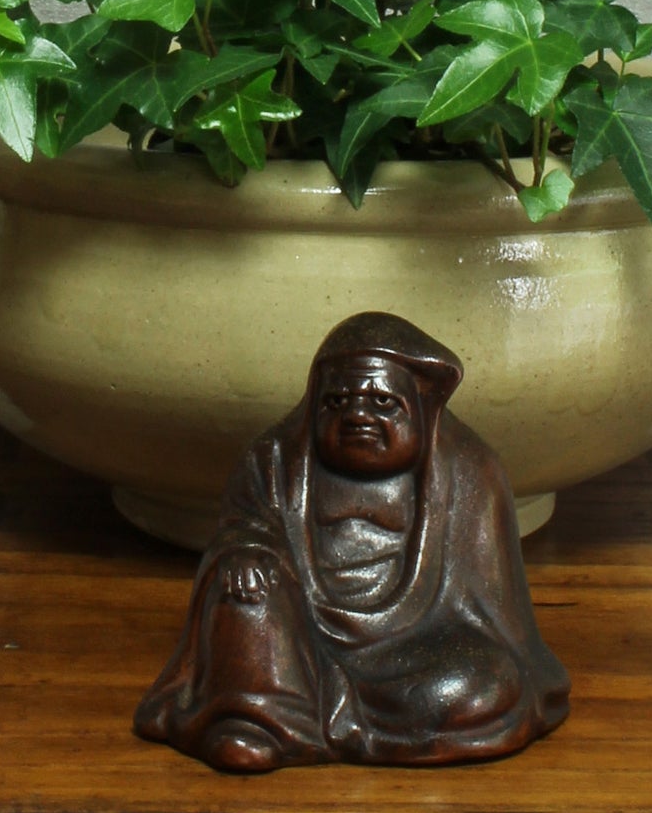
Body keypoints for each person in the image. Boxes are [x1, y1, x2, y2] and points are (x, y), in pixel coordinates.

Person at [134, 312, 570, 772]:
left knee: (489, 681)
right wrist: (245, 551)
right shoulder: (274, 461)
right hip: (296, 644)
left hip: (412, 649)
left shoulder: (468, 471)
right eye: (337, 401)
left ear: (422, 407)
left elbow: (491, 613)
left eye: (383, 402)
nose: (357, 415)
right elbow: (245, 526)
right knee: (243, 587)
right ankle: (253, 721)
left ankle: (326, 722)